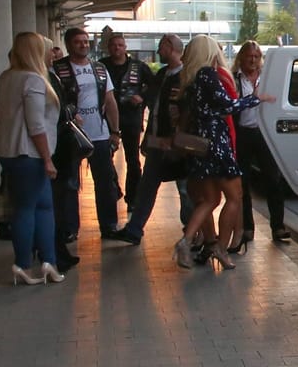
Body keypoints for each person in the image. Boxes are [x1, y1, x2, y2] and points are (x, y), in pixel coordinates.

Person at [176, 35, 271, 270]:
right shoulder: (208, 74)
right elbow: (227, 105)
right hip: (218, 143)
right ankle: (220, 246)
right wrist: (254, 99)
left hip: (202, 145)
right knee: (234, 197)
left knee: (209, 199)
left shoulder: (190, 79)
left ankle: (188, 241)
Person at [0, 32, 66, 285]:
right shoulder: (33, 80)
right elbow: (36, 125)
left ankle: (48, 261)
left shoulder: (6, 77)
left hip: (9, 150)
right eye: (45, 49)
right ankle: (24, 264)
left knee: (42, 206)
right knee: (27, 208)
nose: (50, 54)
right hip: (29, 153)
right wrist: (47, 158)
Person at [47, 26, 122, 265]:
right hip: (70, 136)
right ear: (68, 45)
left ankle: (109, 224)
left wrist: (115, 131)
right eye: (78, 42)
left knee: (106, 180)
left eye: (86, 41)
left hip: (99, 134)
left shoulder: (100, 69)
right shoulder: (57, 70)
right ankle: (69, 227)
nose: (83, 45)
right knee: (69, 183)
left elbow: (110, 100)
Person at [116, 34, 194, 246]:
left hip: (178, 144)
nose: (159, 51)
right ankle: (134, 229)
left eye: (161, 47)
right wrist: (149, 137)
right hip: (158, 142)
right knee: (147, 185)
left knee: (185, 189)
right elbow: (155, 108)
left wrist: (179, 140)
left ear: (170, 47)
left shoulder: (187, 77)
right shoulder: (161, 75)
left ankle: (192, 230)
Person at [231, 41, 289, 246]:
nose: (253, 60)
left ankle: (278, 226)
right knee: (242, 182)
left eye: (256, 56)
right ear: (242, 58)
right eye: (249, 56)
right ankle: (247, 227)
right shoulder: (235, 79)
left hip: (265, 133)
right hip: (243, 133)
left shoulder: (267, 79)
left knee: (273, 179)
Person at [102, 33, 154, 208]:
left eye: (120, 45)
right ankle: (113, 188)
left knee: (133, 160)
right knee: (105, 156)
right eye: (113, 45)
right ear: (109, 48)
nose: (117, 48)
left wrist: (143, 97)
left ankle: (133, 198)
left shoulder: (138, 67)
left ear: (125, 48)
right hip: (107, 118)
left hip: (131, 117)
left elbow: (155, 85)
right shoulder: (102, 66)